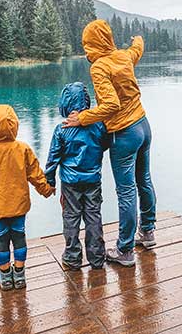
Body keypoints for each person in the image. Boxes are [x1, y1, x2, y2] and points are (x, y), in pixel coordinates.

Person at [63, 19, 156, 267]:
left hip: (124, 133)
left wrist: (82, 118)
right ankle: (147, 232)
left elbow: (111, 106)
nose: (85, 50)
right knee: (144, 180)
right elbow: (137, 49)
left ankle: (124, 250)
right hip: (143, 126)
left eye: (86, 44)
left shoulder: (100, 67)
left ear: (93, 43)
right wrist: (138, 38)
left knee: (126, 191)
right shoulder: (124, 57)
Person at [0, 104, 55, 290]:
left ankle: (5, 277)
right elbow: (35, 174)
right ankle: (20, 275)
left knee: (1, 239)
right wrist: (46, 189)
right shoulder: (22, 149)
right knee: (19, 237)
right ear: (14, 125)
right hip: (18, 205)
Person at [45, 82, 109, 270]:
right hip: (93, 180)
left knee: (71, 217)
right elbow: (104, 145)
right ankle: (97, 257)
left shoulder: (62, 128)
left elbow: (53, 158)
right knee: (93, 216)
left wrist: (49, 181)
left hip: (70, 182)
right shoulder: (98, 125)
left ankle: (72, 258)